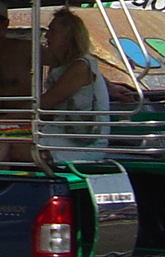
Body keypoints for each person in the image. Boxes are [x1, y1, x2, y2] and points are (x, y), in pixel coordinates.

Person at [37, 8, 110, 151]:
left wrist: (10, 117)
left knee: (11, 145)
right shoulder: (62, 66)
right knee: (3, 140)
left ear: (68, 37)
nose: (47, 36)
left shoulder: (79, 67)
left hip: (83, 142)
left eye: (53, 31)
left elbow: (46, 102)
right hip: (63, 133)